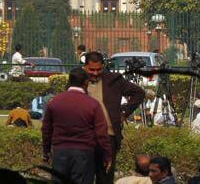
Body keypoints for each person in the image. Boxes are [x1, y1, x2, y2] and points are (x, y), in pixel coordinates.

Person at [83, 51, 145, 184]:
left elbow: (139, 93)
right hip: (84, 137)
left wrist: (124, 113)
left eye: (98, 69)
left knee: (105, 177)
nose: (95, 73)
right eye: (91, 70)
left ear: (103, 66)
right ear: (85, 67)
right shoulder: (78, 79)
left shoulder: (113, 79)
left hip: (108, 136)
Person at [41, 68, 111, 184]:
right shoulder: (93, 104)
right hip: (84, 154)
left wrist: (46, 151)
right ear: (86, 82)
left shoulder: (55, 102)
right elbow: (101, 134)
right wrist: (107, 155)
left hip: (60, 152)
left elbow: (46, 130)